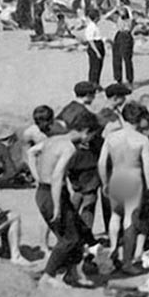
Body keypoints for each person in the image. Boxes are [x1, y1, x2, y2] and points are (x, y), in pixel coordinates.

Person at [31, 113, 99, 287]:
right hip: (53, 194)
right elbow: (57, 176)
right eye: (91, 135)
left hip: (43, 191)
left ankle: (72, 273)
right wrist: (57, 207)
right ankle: (48, 277)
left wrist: (36, 175)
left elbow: (32, 153)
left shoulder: (53, 140)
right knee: (69, 239)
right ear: (85, 131)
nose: (90, 139)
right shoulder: (69, 147)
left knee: (78, 230)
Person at [97, 101, 149, 274]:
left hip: (116, 176)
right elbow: (148, 167)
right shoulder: (142, 140)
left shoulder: (112, 137)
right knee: (130, 219)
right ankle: (127, 262)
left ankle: (114, 248)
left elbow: (101, 162)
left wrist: (105, 182)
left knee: (115, 216)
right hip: (133, 178)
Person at [81, 7, 106, 87]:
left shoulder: (95, 26)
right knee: (94, 67)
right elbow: (91, 41)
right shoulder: (91, 27)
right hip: (95, 46)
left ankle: (96, 83)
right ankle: (93, 84)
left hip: (99, 44)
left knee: (99, 67)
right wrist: (97, 52)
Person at [110, 7, 136, 86]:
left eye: (123, 12)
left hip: (126, 35)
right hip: (118, 35)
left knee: (127, 59)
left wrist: (127, 8)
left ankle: (129, 79)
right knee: (116, 58)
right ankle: (118, 79)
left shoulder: (130, 20)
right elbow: (107, 16)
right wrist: (114, 9)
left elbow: (132, 19)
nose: (121, 13)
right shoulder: (118, 19)